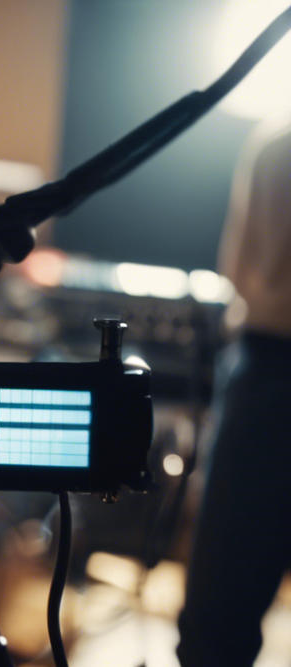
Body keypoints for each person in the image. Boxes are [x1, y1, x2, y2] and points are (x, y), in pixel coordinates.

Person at [176, 120, 291, 666]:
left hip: (269, 370)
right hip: (267, 372)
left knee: (217, 621)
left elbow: (240, 272)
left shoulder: (277, 144)